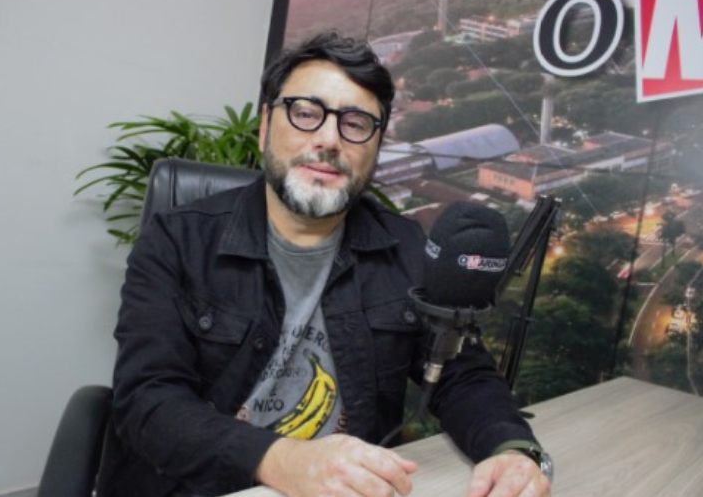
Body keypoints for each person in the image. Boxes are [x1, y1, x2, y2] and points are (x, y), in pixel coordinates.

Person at [106, 31, 552, 497]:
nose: (329, 139)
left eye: (356, 123)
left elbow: (463, 376)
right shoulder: (176, 240)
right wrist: (281, 460)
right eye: (305, 113)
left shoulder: (405, 247)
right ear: (266, 124)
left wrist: (511, 448)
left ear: (377, 145)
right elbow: (148, 400)